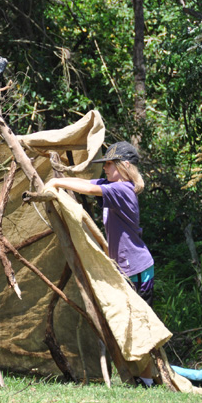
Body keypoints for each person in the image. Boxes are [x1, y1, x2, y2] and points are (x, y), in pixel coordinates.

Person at [45, 141, 155, 386]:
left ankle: (147, 380)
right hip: (126, 268)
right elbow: (86, 185)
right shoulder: (112, 185)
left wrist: (56, 182)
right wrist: (58, 179)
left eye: (108, 164)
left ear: (124, 166)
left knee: (137, 324)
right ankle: (142, 375)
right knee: (126, 322)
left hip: (137, 269)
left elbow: (88, 191)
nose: (104, 168)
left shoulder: (123, 189)